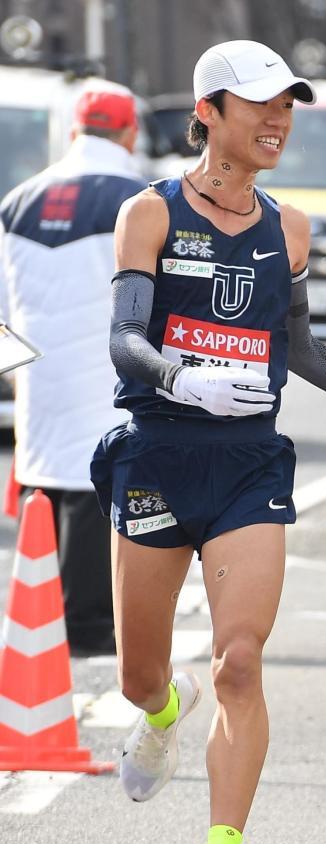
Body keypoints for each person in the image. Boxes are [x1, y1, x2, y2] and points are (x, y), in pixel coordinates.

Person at [90, 40, 326, 844]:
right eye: (261, 104)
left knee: (240, 661)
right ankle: (162, 710)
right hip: (158, 450)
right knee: (137, 677)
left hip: (248, 465)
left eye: (289, 105)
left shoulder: (290, 227)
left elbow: (298, 349)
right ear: (209, 113)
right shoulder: (148, 213)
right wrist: (180, 378)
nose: (279, 120)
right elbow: (123, 339)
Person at [0, 85, 145, 655]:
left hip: (36, 371)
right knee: (98, 485)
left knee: (44, 484)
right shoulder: (140, 198)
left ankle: (42, 618)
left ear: (72, 132)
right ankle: (88, 629)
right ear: (130, 133)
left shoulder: (17, 200)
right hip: (108, 369)